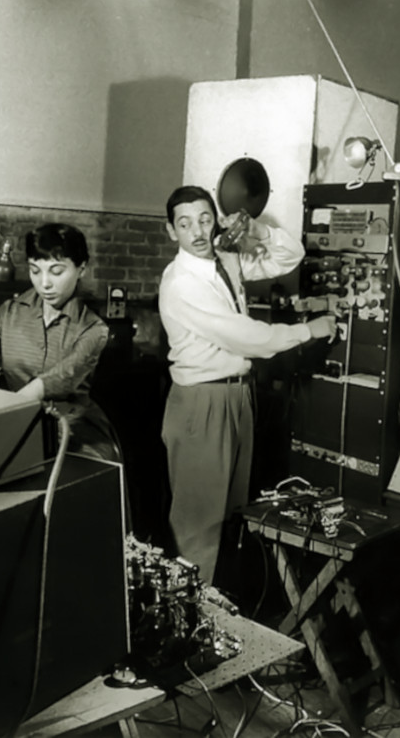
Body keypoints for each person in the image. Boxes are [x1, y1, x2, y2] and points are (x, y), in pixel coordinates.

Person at [158, 185, 336, 583]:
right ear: (172, 231)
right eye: (185, 224)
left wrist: (257, 230)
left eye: (205, 220)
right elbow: (248, 338)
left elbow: (290, 256)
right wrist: (309, 330)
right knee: (199, 526)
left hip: (237, 397)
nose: (197, 232)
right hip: (202, 404)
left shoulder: (225, 261)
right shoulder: (182, 283)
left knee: (233, 516)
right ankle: (188, 616)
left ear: (216, 221)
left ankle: (217, 609)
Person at [0, 222, 119, 462]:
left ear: (81, 269)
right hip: (20, 428)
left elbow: (62, 377)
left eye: (56, 272)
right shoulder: (10, 312)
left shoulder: (93, 329)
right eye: (35, 271)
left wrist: (0, 418)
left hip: (77, 438)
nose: (44, 283)